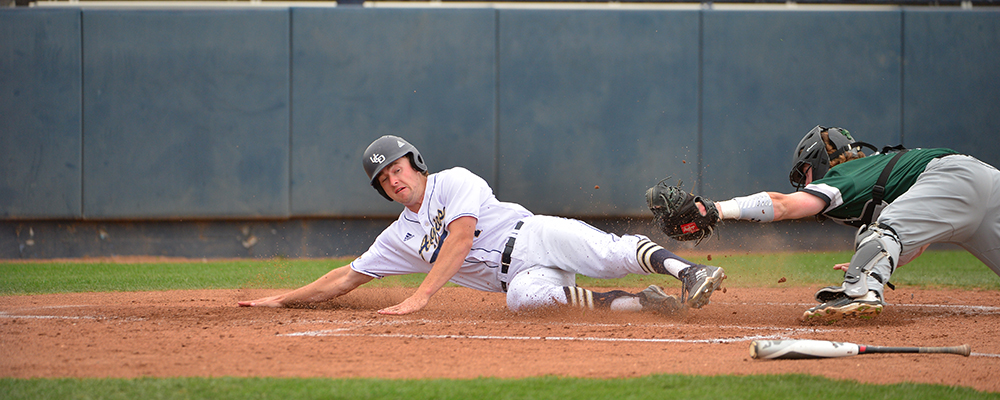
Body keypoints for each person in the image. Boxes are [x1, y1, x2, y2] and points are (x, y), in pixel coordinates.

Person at [239, 135, 726, 315]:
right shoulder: (398, 239)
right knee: (523, 300)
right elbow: (345, 278)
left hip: (534, 235)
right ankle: (644, 304)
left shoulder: (453, 181)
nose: (394, 178)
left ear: (416, 163)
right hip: (516, 277)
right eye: (384, 178)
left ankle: (689, 273)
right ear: (382, 189)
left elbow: (461, 236)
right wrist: (281, 299)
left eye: (398, 167)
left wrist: (420, 295)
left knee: (609, 254)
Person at [689, 125, 1000, 322]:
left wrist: (718, 209)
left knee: (882, 229)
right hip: (983, 180)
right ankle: (864, 279)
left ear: (821, 161)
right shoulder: (875, 172)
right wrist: (874, 257)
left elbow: (784, 206)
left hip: (954, 177)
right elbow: (920, 239)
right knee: (878, 231)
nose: (806, 182)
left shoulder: (846, 175)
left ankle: (862, 291)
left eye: (806, 173)